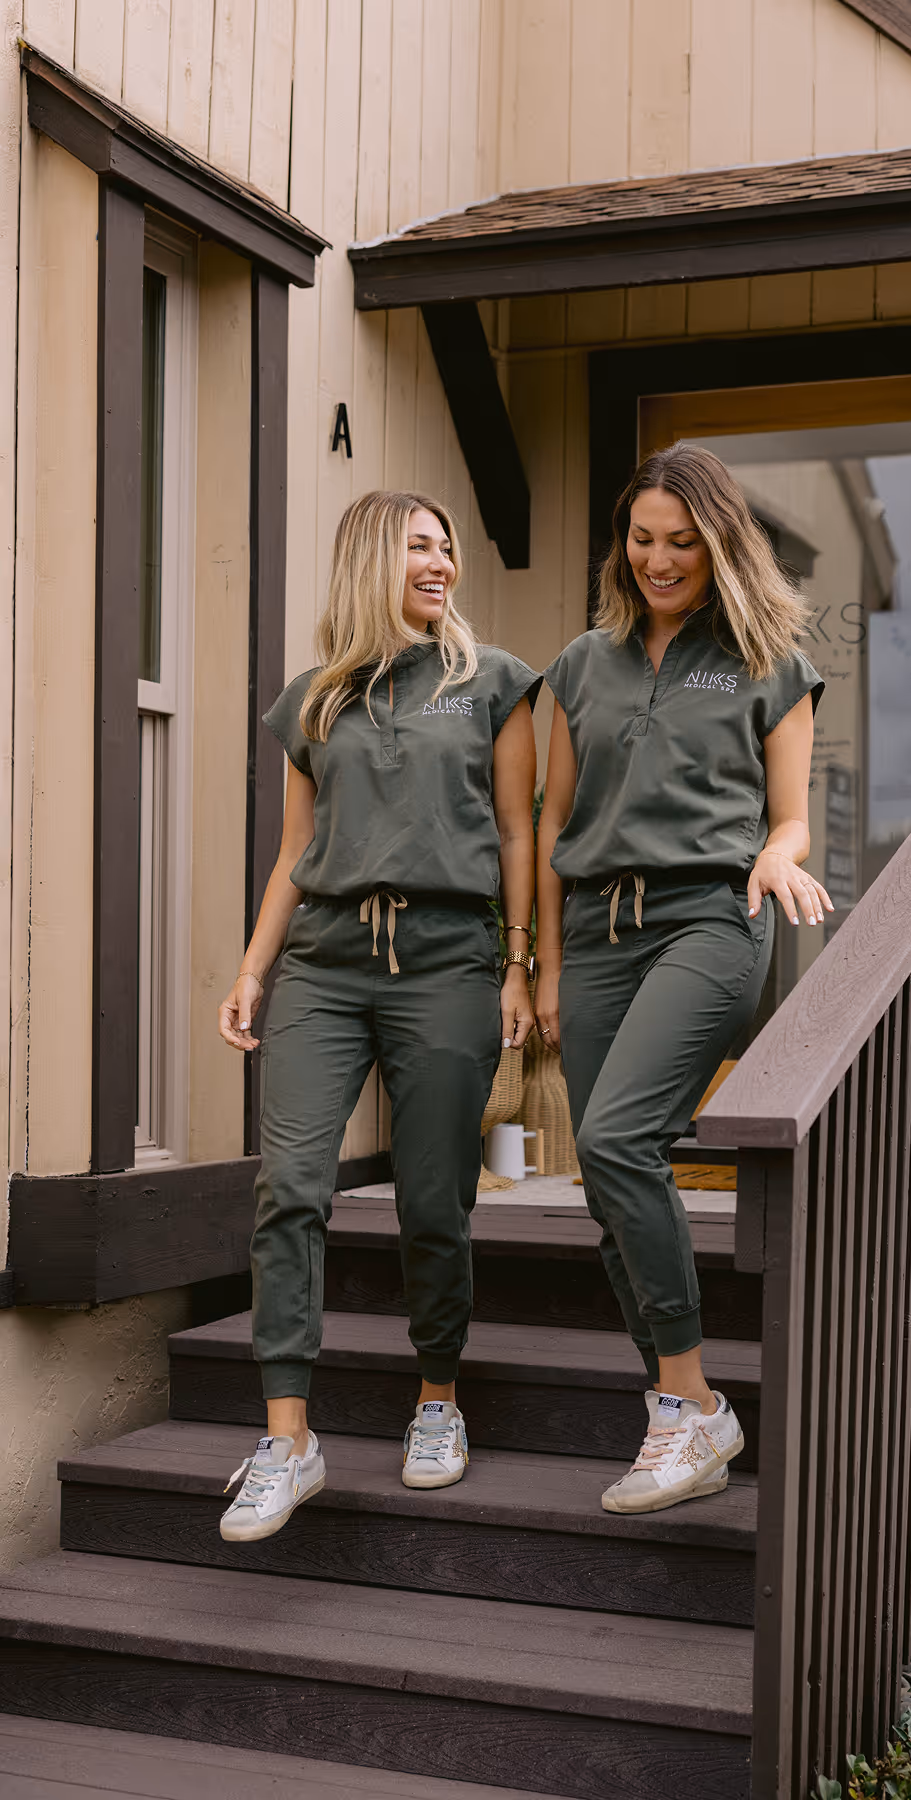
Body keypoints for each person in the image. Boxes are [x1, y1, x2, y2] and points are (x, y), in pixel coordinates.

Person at [216, 490, 539, 1542]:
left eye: (447, 548)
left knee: (434, 1199)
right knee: (289, 1188)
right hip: (324, 966)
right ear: (370, 561)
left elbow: (517, 833)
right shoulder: (314, 700)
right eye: (418, 547)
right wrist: (253, 968)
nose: (440, 563)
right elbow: (295, 851)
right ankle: (286, 1438)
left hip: (446, 963)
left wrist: (518, 965)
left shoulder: (491, 682)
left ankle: (438, 1400)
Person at [535, 442, 828, 1516]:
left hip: (710, 916)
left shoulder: (767, 660)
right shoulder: (582, 664)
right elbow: (553, 822)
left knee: (618, 1138)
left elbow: (791, 818)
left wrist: (777, 855)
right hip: (594, 930)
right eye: (642, 540)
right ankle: (680, 1413)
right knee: (610, 1180)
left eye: (682, 544)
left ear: (720, 546)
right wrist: (543, 968)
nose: (657, 561)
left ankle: (691, 1405)